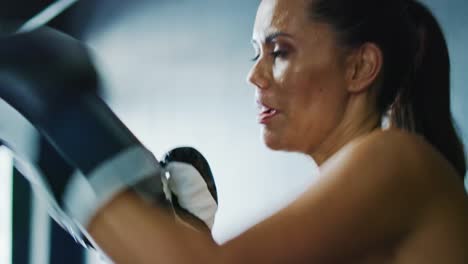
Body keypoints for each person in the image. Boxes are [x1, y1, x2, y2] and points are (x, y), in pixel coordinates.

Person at [2, 0, 467, 263]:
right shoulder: (366, 194)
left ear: (360, 66)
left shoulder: (396, 160)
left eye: (279, 51)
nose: (255, 76)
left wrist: (61, 142)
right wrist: (185, 233)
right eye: (255, 54)